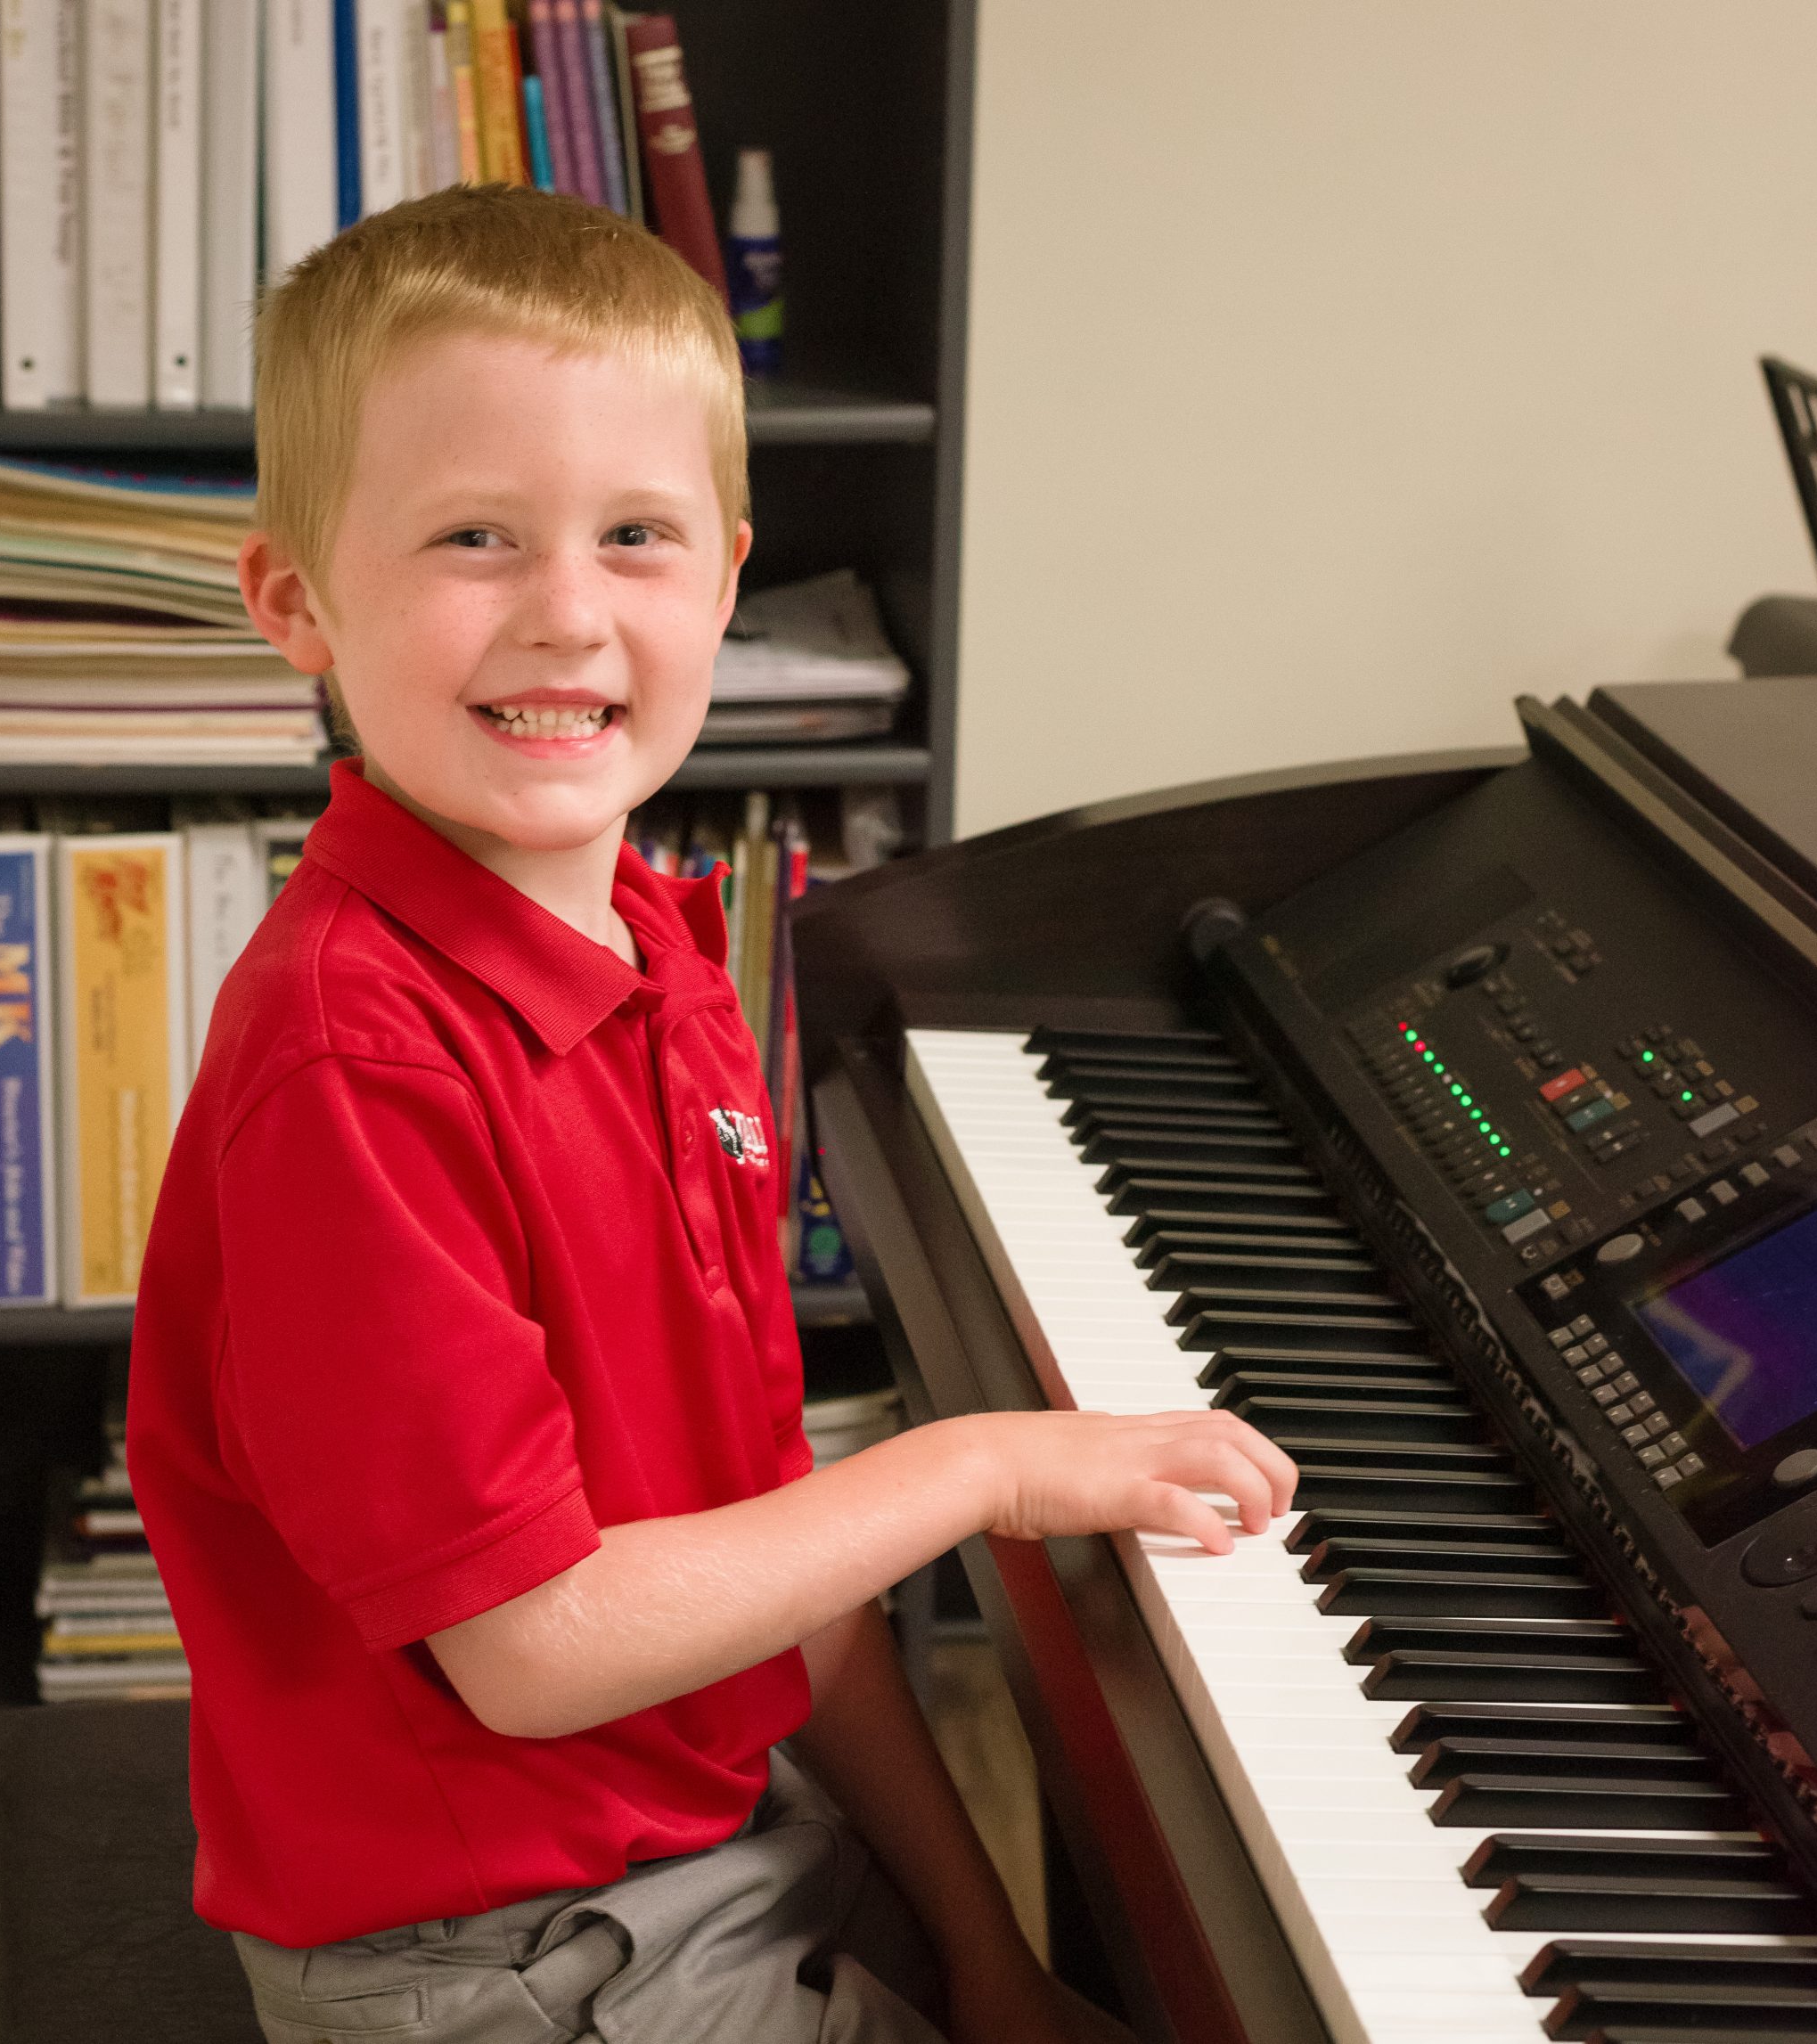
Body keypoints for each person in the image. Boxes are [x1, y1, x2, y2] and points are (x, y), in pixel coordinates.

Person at [126, 184, 1297, 2044]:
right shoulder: (354, 1064)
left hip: (710, 1832)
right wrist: (978, 1466)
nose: (566, 613)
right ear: (296, 600)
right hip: (498, 1954)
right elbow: (526, 1651)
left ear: (727, 578)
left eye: (634, 536)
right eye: (471, 537)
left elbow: (758, 1547)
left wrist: (986, 1955)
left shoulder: (667, 960)